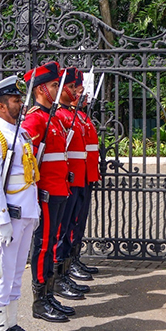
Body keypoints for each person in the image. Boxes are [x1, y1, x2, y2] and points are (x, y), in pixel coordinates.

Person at [0, 75, 41, 331]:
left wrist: (34, 211)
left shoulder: (21, 133)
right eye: (16, 100)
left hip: (26, 213)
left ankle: (12, 323)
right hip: (9, 216)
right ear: (2, 106)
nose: (21, 104)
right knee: (2, 274)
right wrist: (1, 219)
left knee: (17, 272)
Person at [21, 62, 76, 323]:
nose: (58, 89)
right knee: (44, 245)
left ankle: (49, 294)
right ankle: (40, 301)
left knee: (52, 242)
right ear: (41, 89)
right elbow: (27, 162)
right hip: (46, 192)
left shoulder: (52, 118)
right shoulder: (35, 119)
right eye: (54, 85)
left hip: (59, 189)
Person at [54, 67, 94, 289]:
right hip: (68, 179)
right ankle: (61, 272)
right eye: (73, 87)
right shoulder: (60, 115)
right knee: (64, 228)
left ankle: (71, 262)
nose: (79, 93)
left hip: (82, 176)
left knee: (76, 223)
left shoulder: (75, 115)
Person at [66, 69, 100, 278]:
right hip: (73, 177)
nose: (83, 95)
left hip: (86, 175)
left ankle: (74, 258)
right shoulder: (67, 116)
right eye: (78, 91)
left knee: (80, 221)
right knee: (72, 222)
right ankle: (67, 264)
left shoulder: (80, 116)